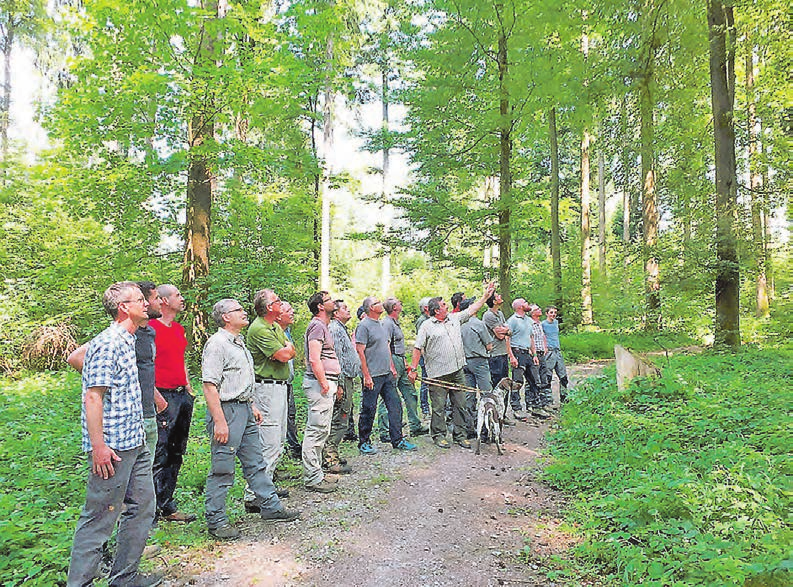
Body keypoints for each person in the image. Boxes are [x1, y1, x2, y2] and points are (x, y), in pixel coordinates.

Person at [67, 282, 160, 587]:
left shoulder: (128, 339)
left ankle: (125, 578)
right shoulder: (108, 343)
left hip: (135, 441)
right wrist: (99, 447)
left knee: (142, 508)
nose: (146, 303)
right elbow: (93, 397)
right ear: (123, 307)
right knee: (99, 517)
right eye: (139, 300)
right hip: (114, 448)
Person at [202, 299, 300, 540]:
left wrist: (251, 405)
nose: (244, 312)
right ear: (226, 317)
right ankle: (216, 520)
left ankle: (270, 506)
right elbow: (209, 385)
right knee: (223, 467)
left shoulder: (239, 342)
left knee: (256, 461)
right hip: (227, 412)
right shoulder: (217, 344)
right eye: (238, 310)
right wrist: (219, 421)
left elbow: (241, 379)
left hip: (244, 408)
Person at [408, 282, 496, 449]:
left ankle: (460, 435)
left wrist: (486, 296)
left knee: (461, 404)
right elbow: (417, 348)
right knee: (439, 407)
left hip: (457, 371)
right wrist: (413, 369)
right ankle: (439, 435)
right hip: (437, 374)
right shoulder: (426, 326)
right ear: (436, 310)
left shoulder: (454, 319)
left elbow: (471, 309)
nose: (447, 306)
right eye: (443, 305)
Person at [244, 289, 295, 511]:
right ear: (268, 307)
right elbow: (284, 355)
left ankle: (266, 486)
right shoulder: (259, 328)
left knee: (279, 439)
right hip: (266, 388)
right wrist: (286, 349)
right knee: (269, 441)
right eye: (277, 301)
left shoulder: (274, 326)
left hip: (279, 387)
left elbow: (291, 350)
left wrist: (287, 349)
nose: (281, 304)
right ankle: (253, 494)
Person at [150, 284, 196, 523]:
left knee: (177, 451)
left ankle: (167, 506)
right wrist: (157, 398)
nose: (182, 298)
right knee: (159, 453)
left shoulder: (178, 329)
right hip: (162, 397)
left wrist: (187, 386)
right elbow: (145, 366)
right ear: (164, 300)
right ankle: (150, 512)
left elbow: (180, 358)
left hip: (181, 395)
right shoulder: (150, 329)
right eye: (178, 295)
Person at [355, 296, 418, 455]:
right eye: (376, 303)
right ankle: (364, 442)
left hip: (386, 374)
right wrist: (366, 375)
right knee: (369, 408)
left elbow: (386, 347)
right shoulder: (364, 326)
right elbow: (360, 351)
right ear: (371, 308)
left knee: (395, 406)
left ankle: (397, 440)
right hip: (373, 375)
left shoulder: (382, 324)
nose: (380, 304)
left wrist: (392, 367)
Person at [302, 291, 342, 493]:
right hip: (320, 385)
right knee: (316, 430)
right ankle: (312, 477)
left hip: (325, 383)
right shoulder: (317, 326)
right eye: (329, 300)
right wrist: (324, 382)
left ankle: (316, 473)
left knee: (322, 430)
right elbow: (314, 357)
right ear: (320, 306)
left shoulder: (323, 326)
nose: (333, 302)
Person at [377, 297, 428, 441]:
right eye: (399, 303)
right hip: (392, 360)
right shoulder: (387, 323)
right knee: (388, 395)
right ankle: (385, 430)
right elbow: (386, 345)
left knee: (410, 392)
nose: (401, 304)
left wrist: (405, 362)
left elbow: (398, 345)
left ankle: (415, 425)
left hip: (400, 359)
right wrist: (391, 366)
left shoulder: (395, 322)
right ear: (394, 307)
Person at [325, 299, 360, 474]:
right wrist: (339, 384)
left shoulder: (341, 328)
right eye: (344, 308)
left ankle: (333, 453)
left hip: (347, 378)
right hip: (342, 379)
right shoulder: (335, 329)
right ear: (336, 313)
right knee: (339, 417)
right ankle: (330, 458)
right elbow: (336, 357)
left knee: (342, 417)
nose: (348, 310)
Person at [506, 299, 548, 420]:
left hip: (528, 353)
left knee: (535, 380)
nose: (527, 304)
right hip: (517, 352)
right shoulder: (512, 320)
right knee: (517, 382)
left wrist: (534, 355)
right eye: (525, 302)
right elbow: (507, 339)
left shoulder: (529, 321)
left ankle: (535, 406)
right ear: (519, 306)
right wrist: (511, 356)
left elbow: (531, 338)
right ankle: (517, 408)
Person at [459, 297, 494, 437]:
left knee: (469, 395)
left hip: (464, 362)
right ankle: (486, 429)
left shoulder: (458, 324)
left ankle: (469, 427)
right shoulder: (478, 324)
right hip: (479, 361)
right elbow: (489, 345)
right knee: (486, 394)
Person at [276, 302, 303, 459]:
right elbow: (286, 355)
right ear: (279, 315)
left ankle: (293, 446)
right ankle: (284, 449)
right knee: (279, 417)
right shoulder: (274, 332)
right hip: (277, 384)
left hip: (288, 382)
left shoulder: (287, 332)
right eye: (288, 310)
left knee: (290, 414)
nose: (292, 312)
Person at [482, 292, 518, 390]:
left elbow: (509, 331)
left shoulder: (500, 314)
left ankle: (504, 400)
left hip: (503, 353)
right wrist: (506, 331)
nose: (500, 296)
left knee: (505, 382)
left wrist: (506, 331)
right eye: (497, 296)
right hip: (495, 355)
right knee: (497, 383)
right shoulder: (488, 315)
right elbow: (500, 336)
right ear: (494, 301)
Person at [528, 304, 553, 414]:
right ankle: (532, 404)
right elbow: (529, 337)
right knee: (533, 379)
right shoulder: (529, 323)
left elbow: (542, 336)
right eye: (537, 309)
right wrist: (532, 353)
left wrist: (545, 347)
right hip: (534, 353)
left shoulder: (539, 324)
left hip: (542, 352)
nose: (540, 310)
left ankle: (544, 403)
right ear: (532, 313)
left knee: (544, 377)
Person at [542, 306, 570, 406]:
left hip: (557, 351)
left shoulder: (556, 323)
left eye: (555, 312)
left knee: (563, 376)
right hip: (549, 352)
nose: (553, 314)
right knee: (548, 376)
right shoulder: (543, 324)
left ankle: (564, 398)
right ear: (546, 313)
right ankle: (548, 400)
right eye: (551, 312)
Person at [415, 297, 432, 416]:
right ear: (426, 308)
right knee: (425, 382)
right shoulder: (422, 321)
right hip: (425, 357)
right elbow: (421, 342)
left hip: (430, 356)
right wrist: (424, 357)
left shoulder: (430, 319)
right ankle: (424, 407)